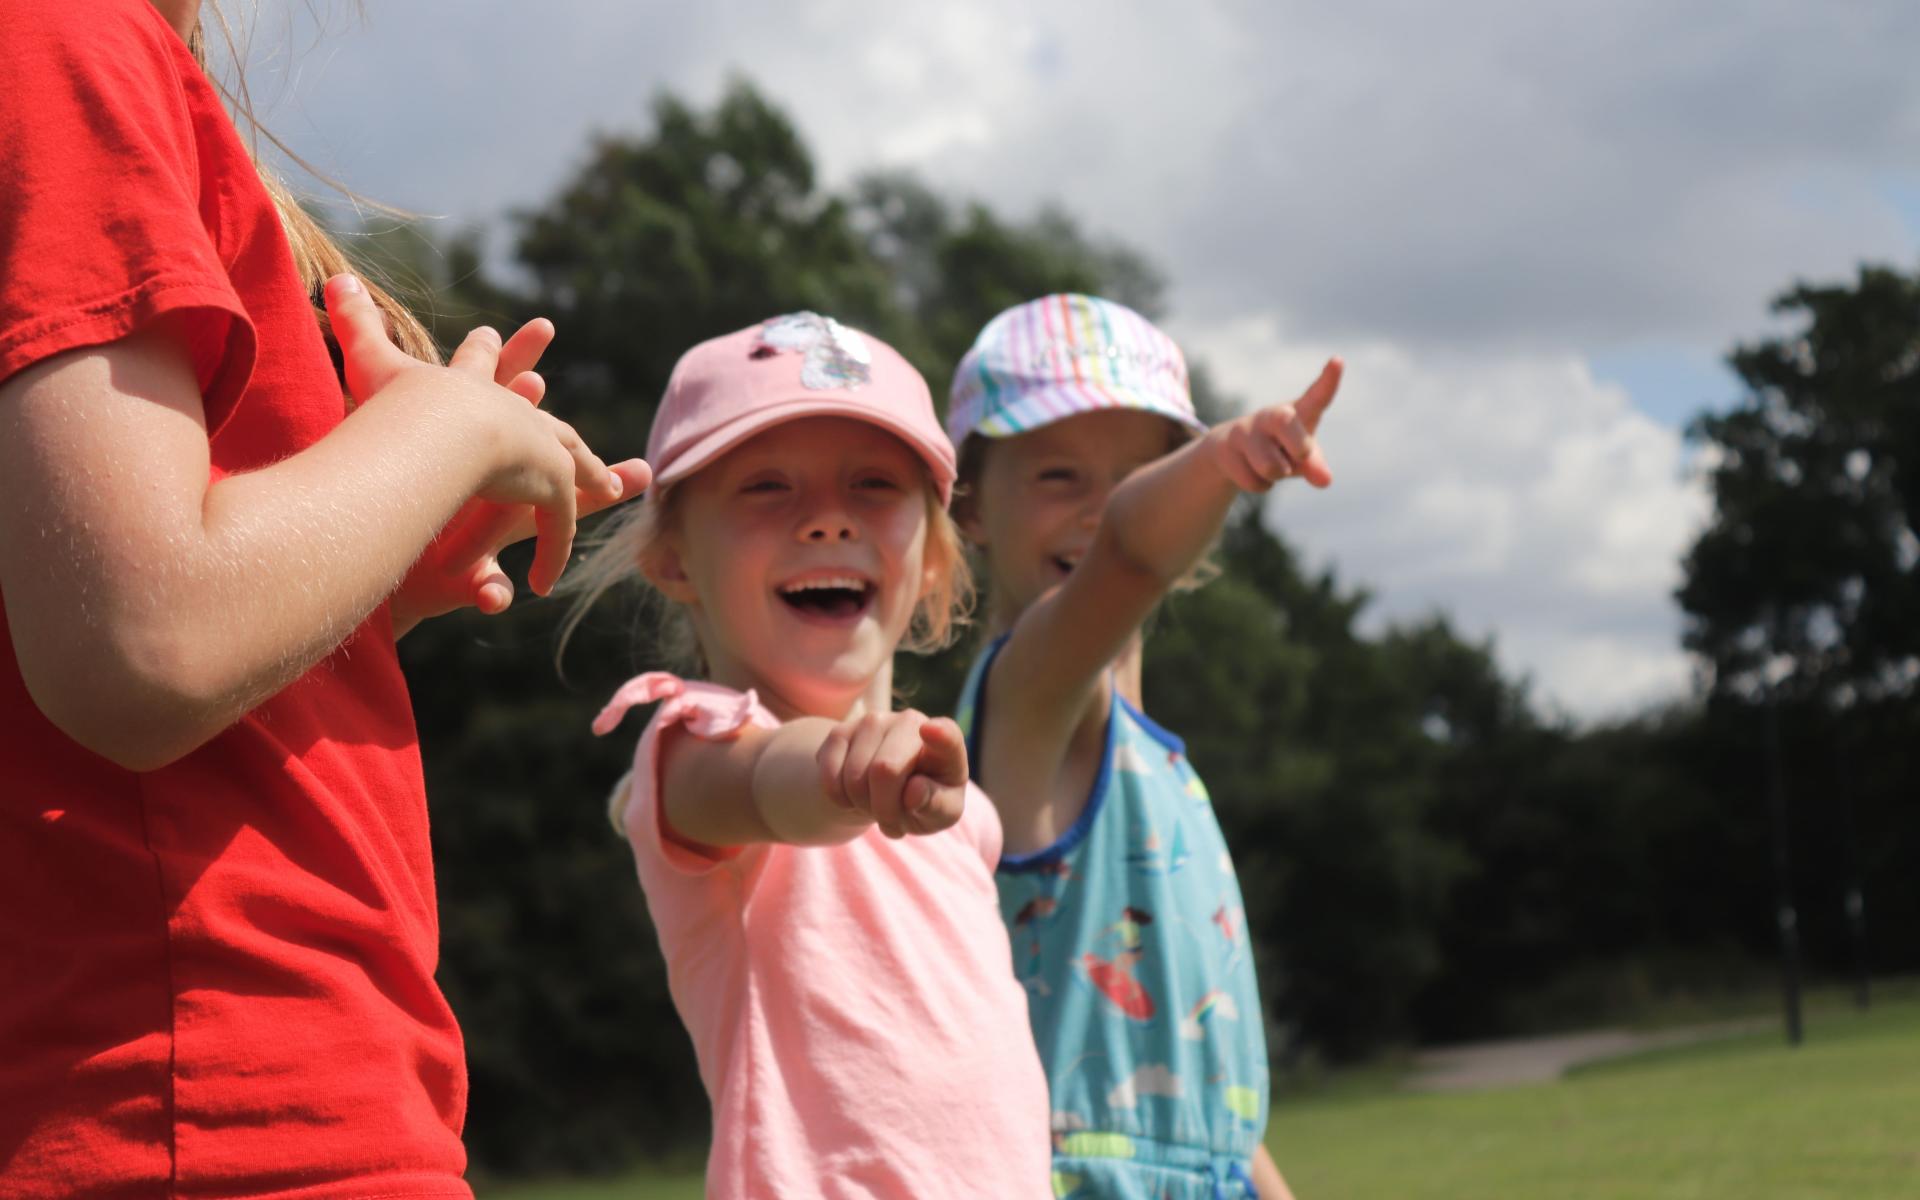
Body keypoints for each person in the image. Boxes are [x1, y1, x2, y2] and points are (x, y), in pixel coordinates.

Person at [0, 0, 644, 1192]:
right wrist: (437, 434)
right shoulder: (59, 36)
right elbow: (145, 640)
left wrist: (374, 559)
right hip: (215, 1116)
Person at [577, 312, 1050, 1198]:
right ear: (675, 558)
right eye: (766, 487)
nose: (829, 519)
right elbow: (772, 779)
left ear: (935, 563)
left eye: (874, 484)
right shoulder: (691, 749)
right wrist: (850, 775)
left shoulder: (964, 814)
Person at [948, 293, 1340, 1199]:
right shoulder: (1029, 701)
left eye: (1137, 477)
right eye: (1057, 476)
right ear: (970, 503)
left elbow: (1218, 1125)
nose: (1103, 510)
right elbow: (1125, 554)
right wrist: (1221, 461)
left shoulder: (1152, 757)